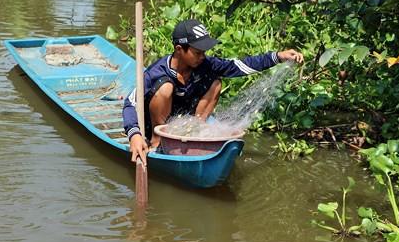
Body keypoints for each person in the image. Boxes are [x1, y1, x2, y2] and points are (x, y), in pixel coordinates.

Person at [123, 19, 304, 162]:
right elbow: (130, 102)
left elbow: (239, 66)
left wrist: (278, 57)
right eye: (197, 52)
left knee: (216, 82)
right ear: (179, 49)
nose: (203, 57)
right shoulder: (157, 72)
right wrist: (135, 135)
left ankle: (195, 134)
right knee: (165, 88)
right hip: (155, 126)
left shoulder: (205, 64)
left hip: (184, 121)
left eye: (204, 52)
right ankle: (158, 143)